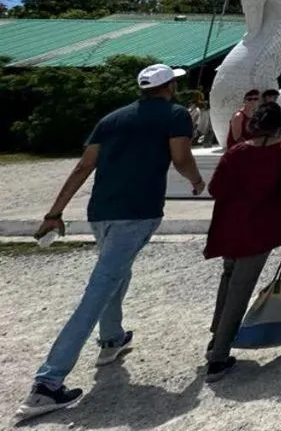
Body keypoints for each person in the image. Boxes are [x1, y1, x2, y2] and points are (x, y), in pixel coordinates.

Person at [18, 64, 204, 423]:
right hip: (137, 212)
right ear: (169, 87)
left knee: (117, 274)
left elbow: (82, 167)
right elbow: (180, 157)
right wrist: (197, 181)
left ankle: (112, 339)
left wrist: (54, 212)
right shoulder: (176, 114)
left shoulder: (112, 119)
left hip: (101, 211)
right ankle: (47, 382)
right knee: (100, 288)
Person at [203, 100, 281, 382]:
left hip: (229, 226)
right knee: (239, 289)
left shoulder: (236, 152)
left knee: (229, 280)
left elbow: (215, 188)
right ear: (280, 125)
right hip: (259, 228)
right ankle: (219, 358)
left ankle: (215, 340)